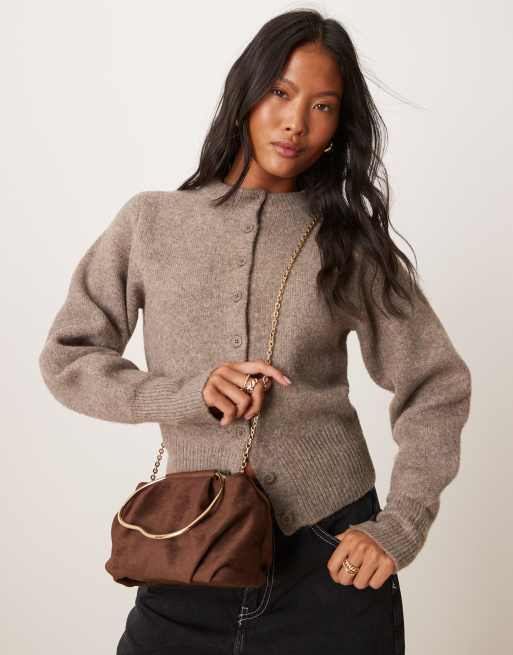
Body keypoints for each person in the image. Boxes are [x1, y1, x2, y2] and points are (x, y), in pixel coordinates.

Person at [38, 9, 471, 654]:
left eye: (323, 106)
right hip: (186, 550)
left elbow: (437, 385)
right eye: (280, 93)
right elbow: (68, 358)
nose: (297, 122)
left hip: (331, 557)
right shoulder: (151, 223)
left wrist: (399, 526)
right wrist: (187, 395)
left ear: (338, 126)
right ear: (245, 93)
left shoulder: (349, 242)